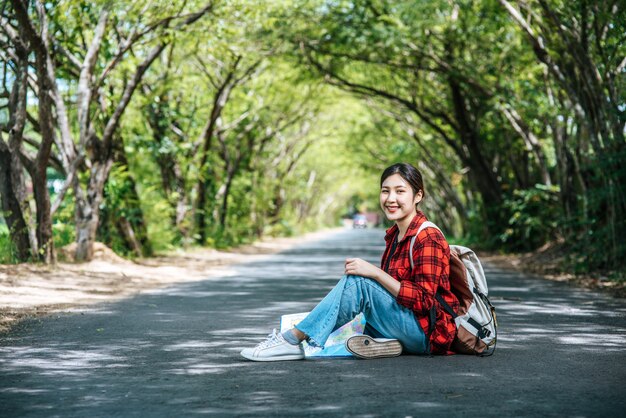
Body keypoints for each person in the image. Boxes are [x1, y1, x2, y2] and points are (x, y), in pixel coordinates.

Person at [240, 162, 459, 361]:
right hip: (406, 322)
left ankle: (291, 340)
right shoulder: (395, 235)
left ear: (418, 195)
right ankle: (386, 342)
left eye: (400, 191)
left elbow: (424, 301)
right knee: (345, 307)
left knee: (359, 283)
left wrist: (374, 273)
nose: (391, 199)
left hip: (427, 333)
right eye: (385, 191)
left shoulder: (427, 237)